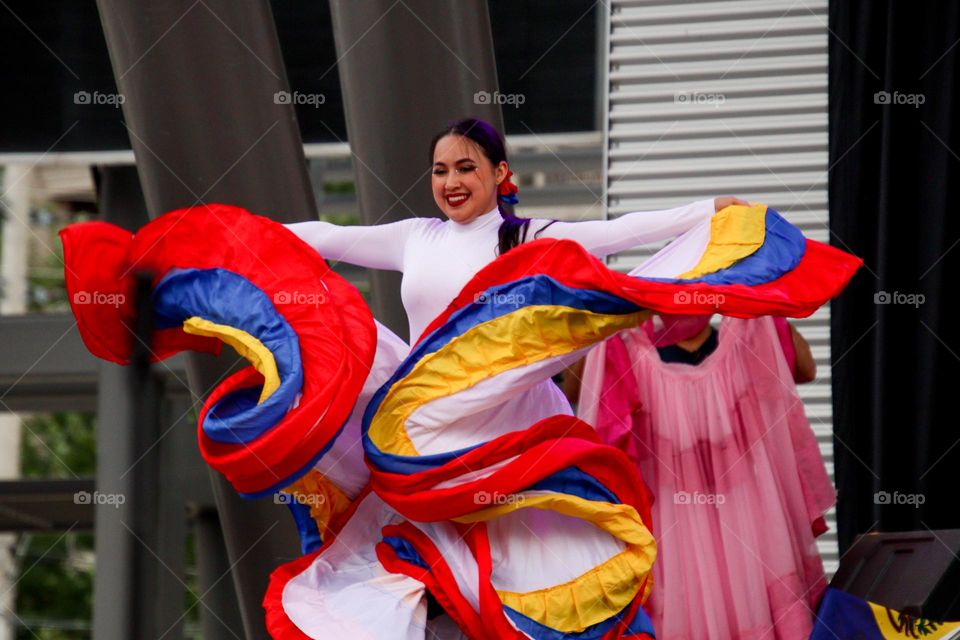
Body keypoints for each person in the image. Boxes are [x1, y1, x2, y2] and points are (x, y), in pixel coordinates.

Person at [575, 311, 834, 640]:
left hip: (678, 518)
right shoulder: (745, 339)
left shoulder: (746, 336)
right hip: (740, 514)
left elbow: (804, 369)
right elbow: (806, 370)